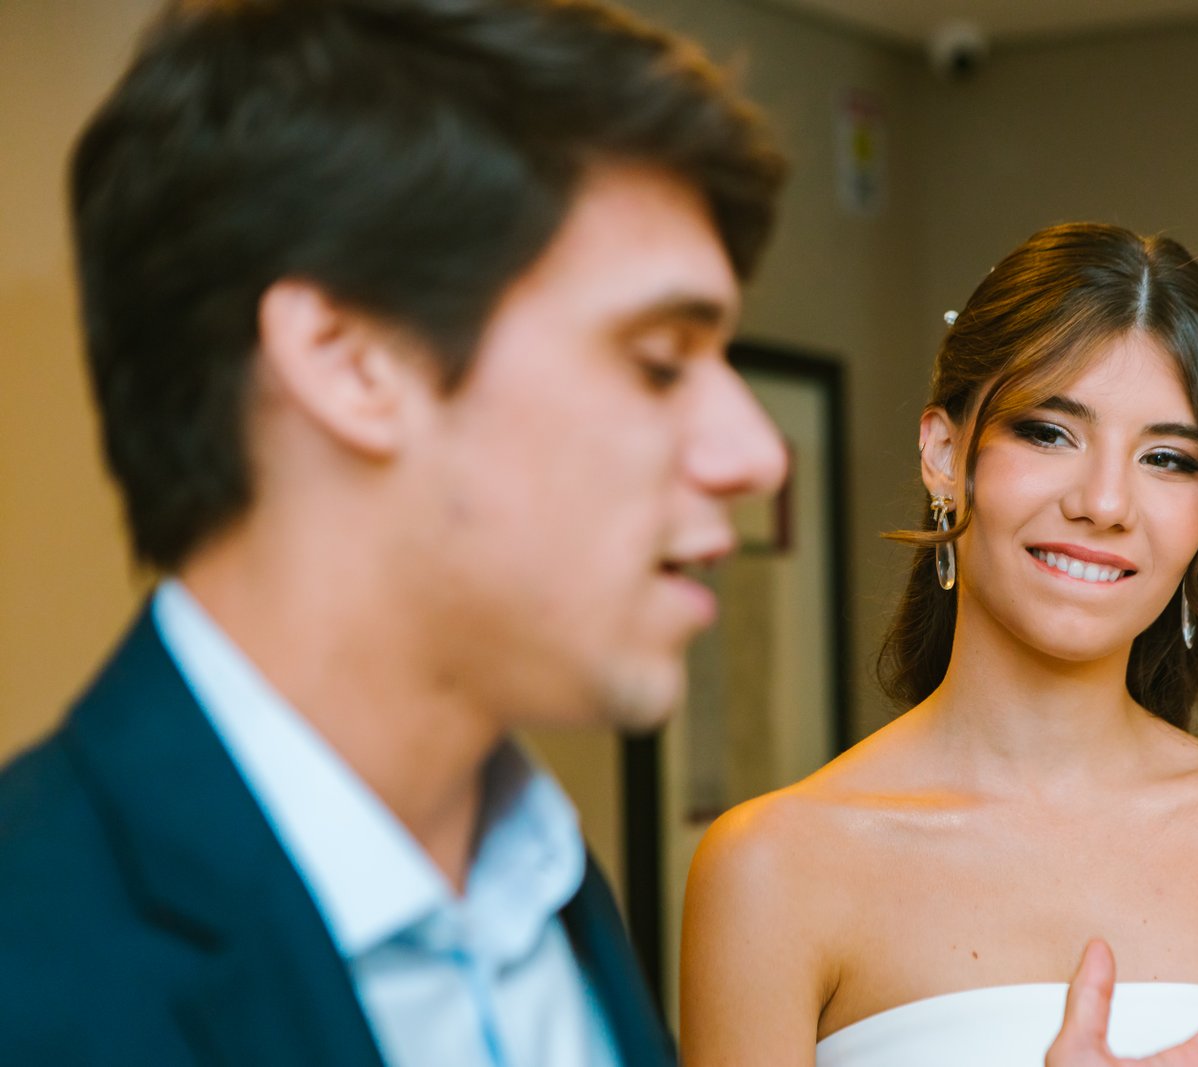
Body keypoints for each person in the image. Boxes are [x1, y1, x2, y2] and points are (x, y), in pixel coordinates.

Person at [0, 1, 788, 1063]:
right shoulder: (34, 968)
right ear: (350, 361)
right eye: (658, 362)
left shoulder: (549, 889)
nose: (755, 454)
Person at [680, 223, 1198, 1066]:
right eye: (1049, 432)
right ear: (944, 452)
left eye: (1167, 458)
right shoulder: (773, 868)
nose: (1104, 503)